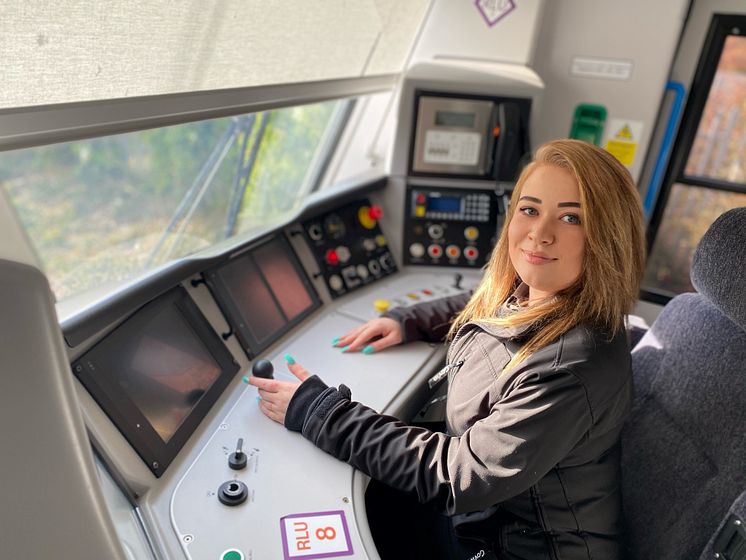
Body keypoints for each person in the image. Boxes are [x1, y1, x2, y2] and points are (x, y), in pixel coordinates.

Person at [248, 139, 646, 559]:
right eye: (529, 209)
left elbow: (460, 477)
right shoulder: (545, 294)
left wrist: (321, 413)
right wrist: (410, 321)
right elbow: (489, 304)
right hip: (494, 518)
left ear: (607, 237)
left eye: (570, 218)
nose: (539, 234)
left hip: (523, 546)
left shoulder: (572, 365)